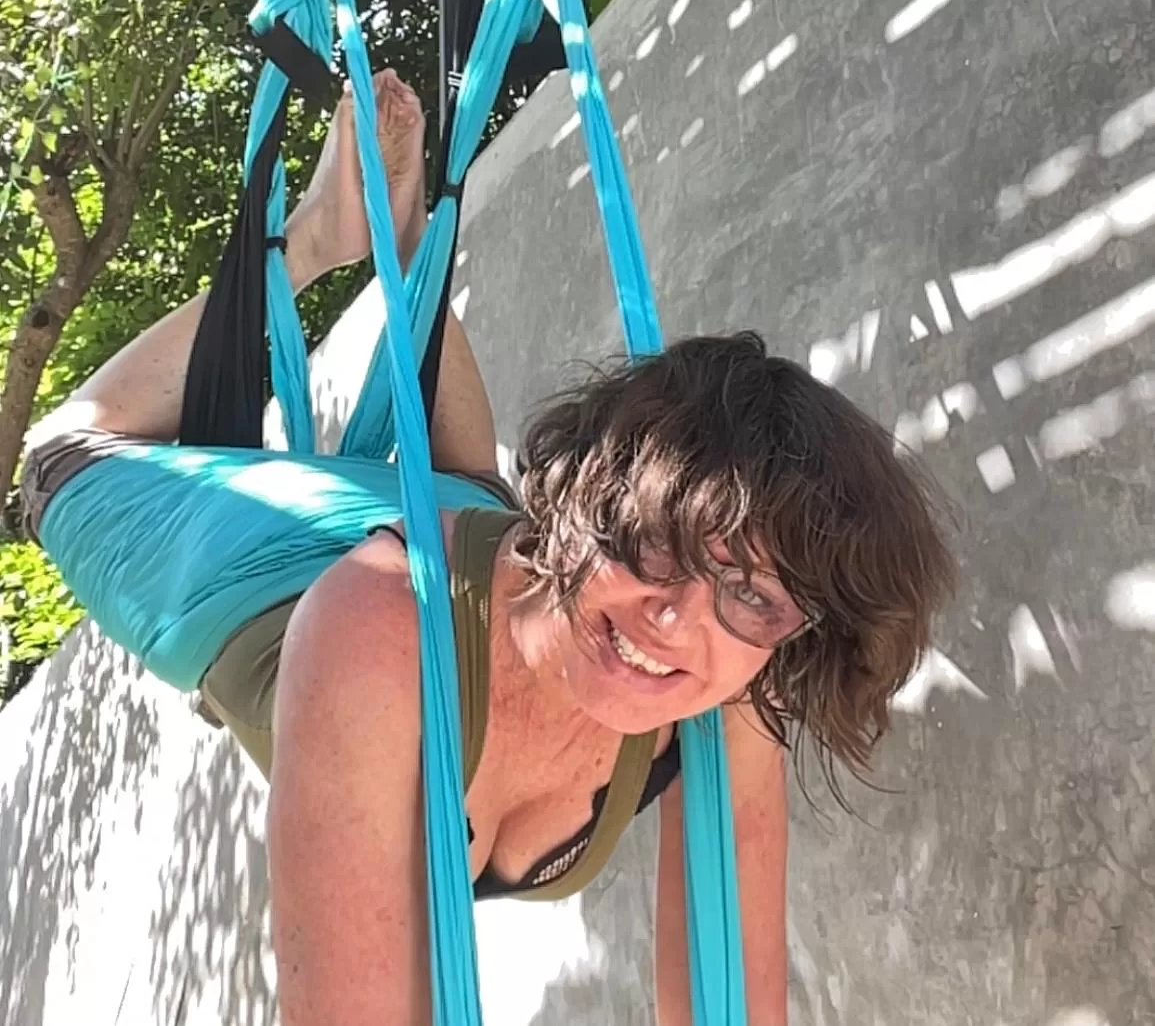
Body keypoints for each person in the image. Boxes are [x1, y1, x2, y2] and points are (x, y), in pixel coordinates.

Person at [21, 69, 956, 1026]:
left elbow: (734, 1006)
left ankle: (411, 239)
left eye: (752, 594)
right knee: (50, 466)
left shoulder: (732, 675)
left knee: (473, 499)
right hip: (266, 560)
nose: (677, 618)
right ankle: (322, 239)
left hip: (470, 523)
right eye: (655, 546)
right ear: (584, 507)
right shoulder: (376, 629)